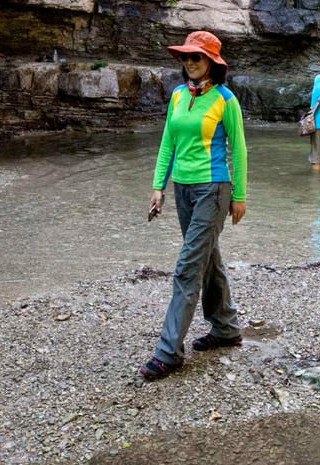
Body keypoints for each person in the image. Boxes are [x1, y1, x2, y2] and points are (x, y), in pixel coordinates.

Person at [140, 30, 248, 381]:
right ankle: (226, 329)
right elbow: (168, 143)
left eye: (196, 57)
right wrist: (159, 186)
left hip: (214, 189)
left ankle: (168, 352)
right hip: (183, 189)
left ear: (212, 63)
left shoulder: (225, 100)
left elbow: (240, 150)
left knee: (188, 266)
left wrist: (240, 195)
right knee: (207, 258)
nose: (189, 63)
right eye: (186, 57)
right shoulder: (177, 97)